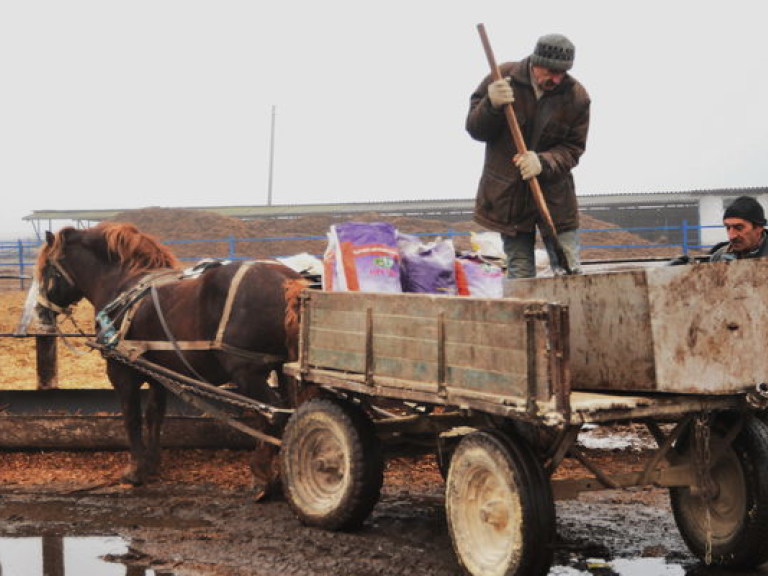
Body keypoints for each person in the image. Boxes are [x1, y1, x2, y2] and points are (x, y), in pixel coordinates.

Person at [466, 33, 591, 278]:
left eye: (561, 73)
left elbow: (573, 149)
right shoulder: (503, 77)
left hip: (555, 199)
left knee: (569, 272)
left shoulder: (576, 98)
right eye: (549, 71)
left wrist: (543, 162)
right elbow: (475, 129)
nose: (555, 78)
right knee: (520, 274)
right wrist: (491, 105)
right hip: (509, 199)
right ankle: (524, 316)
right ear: (535, 61)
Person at [709, 195, 768, 261]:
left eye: (739, 228)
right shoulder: (719, 258)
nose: (732, 236)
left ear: (758, 228)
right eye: (728, 227)